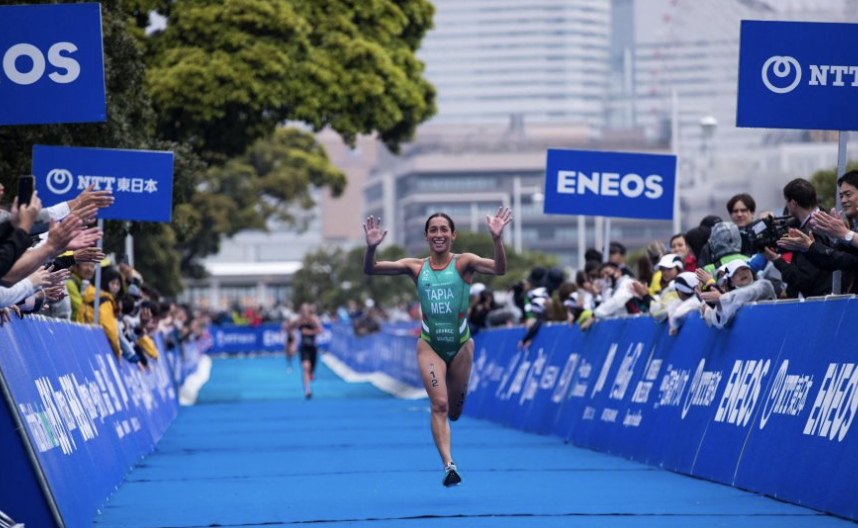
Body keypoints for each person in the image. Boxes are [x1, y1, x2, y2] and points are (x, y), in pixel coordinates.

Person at [362, 207, 512, 487]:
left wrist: (496, 239)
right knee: (439, 405)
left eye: (444, 229)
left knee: (454, 411)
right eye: (434, 230)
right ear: (426, 236)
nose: (439, 234)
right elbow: (371, 269)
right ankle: (449, 465)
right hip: (430, 346)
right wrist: (371, 249)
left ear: (453, 235)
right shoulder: (416, 267)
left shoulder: (464, 263)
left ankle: (451, 426)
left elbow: (499, 269)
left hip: (461, 346)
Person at [295, 303, 323, 399]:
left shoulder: (313, 320)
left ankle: (311, 373)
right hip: (304, 348)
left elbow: (321, 331)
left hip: (313, 348)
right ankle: (307, 390)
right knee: (305, 367)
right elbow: (292, 328)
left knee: (311, 369)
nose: (304, 313)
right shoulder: (300, 321)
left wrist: (309, 332)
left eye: (306, 311)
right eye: (302, 311)